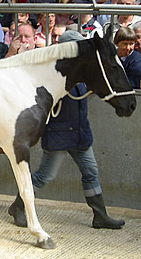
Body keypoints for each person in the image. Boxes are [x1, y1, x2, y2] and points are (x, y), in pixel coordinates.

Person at [8, 30, 126, 230]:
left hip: (80, 134)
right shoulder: (58, 75)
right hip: (60, 136)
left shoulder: (79, 75)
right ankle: (18, 206)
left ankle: (100, 215)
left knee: (91, 172)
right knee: (45, 175)